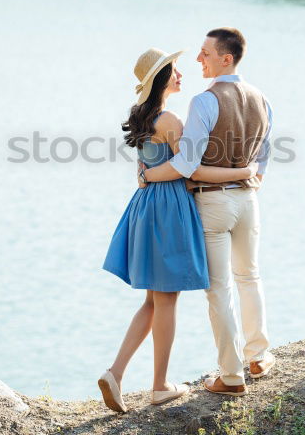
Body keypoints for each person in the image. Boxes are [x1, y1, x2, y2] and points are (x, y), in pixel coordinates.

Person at [98, 47, 259, 413]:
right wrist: (241, 173)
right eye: (174, 71)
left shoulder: (141, 116)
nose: (181, 75)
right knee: (167, 299)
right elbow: (190, 169)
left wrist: (145, 176)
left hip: (146, 207)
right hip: (170, 207)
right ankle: (159, 387)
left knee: (153, 301)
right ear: (161, 80)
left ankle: (116, 373)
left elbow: (144, 169)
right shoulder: (170, 121)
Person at [141, 28, 274, 397]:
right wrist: (249, 177)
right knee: (250, 276)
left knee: (219, 290)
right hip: (248, 201)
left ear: (225, 59)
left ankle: (232, 376)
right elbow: (263, 156)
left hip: (212, 202)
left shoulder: (204, 101)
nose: (200, 59)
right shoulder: (261, 98)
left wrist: (148, 174)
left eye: (205, 53)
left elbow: (188, 165)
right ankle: (259, 356)